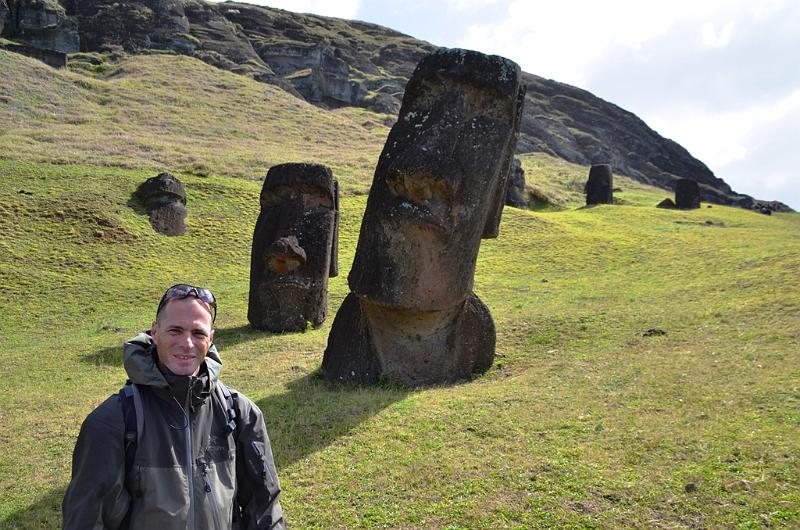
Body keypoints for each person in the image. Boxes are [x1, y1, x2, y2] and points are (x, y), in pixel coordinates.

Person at [63, 284, 285, 529]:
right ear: (155, 332)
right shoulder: (111, 422)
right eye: (175, 330)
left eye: (198, 333)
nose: (187, 343)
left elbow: (265, 509)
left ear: (211, 338)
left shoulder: (242, 414)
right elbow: (86, 519)